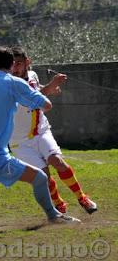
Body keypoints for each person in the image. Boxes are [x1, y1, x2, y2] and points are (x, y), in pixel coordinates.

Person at [0, 46, 80, 231]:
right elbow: (46, 105)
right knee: (40, 178)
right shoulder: (13, 83)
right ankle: (54, 216)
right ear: (11, 65)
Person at [9, 46, 97, 214]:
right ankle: (59, 204)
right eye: (12, 64)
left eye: (19, 63)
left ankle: (82, 198)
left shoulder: (32, 75)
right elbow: (31, 99)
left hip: (41, 130)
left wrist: (50, 88)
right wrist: (50, 86)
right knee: (44, 176)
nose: (15, 68)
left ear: (28, 62)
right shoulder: (9, 83)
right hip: (19, 141)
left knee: (58, 161)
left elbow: (34, 88)